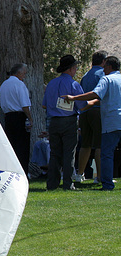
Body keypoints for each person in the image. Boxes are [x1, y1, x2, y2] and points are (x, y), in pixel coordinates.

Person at [63, 55, 121, 191]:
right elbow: (103, 98)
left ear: (109, 67)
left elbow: (96, 94)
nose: (103, 69)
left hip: (111, 121)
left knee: (106, 153)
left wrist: (74, 98)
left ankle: (107, 184)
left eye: (105, 66)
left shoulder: (106, 79)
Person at [42, 55, 85, 191]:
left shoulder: (51, 84)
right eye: (75, 67)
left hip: (54, 121)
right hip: (69, 121)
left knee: (55, 153)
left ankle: (52, 184)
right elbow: (82, 106)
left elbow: (44, 105)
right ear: (71, 69)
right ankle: (67, 183)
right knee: (69, 153)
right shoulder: (74, 84)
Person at [73, 50, 107, 183]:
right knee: (99, 145)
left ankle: (80, 174)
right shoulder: (103, 75)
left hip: (84, 111)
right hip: (97, 110)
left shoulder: (86, 76)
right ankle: (99, 177)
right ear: (103, 61)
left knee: (85, 144)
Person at [0, 63, 33, 176]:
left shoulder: (4, 84)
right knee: (22, 147)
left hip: (8, 117)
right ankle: (22, 173)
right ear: (18, 73)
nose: (24, 75)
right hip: (19, 117)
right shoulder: (19, 84)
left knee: (12, 146)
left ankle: (11, 173)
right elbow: (24, 105)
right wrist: (30, 118)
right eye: (23, 73)